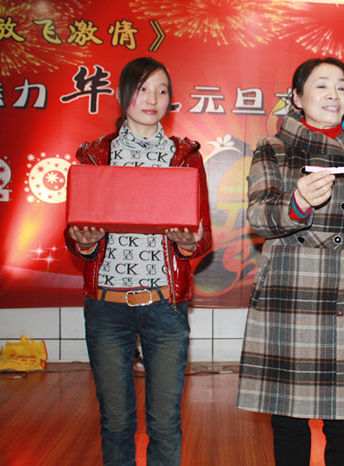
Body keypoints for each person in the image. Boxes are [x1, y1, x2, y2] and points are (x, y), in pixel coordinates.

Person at [236, 57, 344, 466]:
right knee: (288, 420)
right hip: (291, 291)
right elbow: (259, 217)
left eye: (342, 87)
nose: (334, 94)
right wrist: (298, 202)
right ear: (297, 97)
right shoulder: (273, 148)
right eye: (322, 85)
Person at [64, 57, 212, 465]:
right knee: (115, 422)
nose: (152, 99)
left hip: (165, 305)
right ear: (122, 95)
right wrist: (85, 242)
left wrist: (189, 244)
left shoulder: (185, 157)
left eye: (162, 91)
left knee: (165, 423)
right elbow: (73, 232)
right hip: (107, 307)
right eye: (143, 89)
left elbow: (203, 237)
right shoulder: (95, 155)